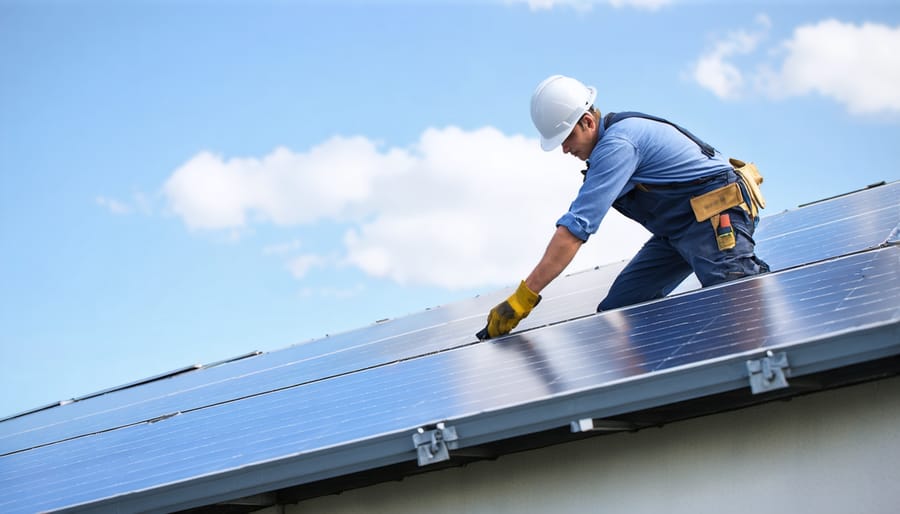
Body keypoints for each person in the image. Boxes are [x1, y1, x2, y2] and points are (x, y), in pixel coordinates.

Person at [479, 74, 769, 340]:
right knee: (621, 312)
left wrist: (523, 298)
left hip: (715, 217)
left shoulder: (618, 145)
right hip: (677, 231)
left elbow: (574, 231)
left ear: (588, 122)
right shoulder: (611, 145)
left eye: (567, 138)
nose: (565, 149)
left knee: (734, 294)